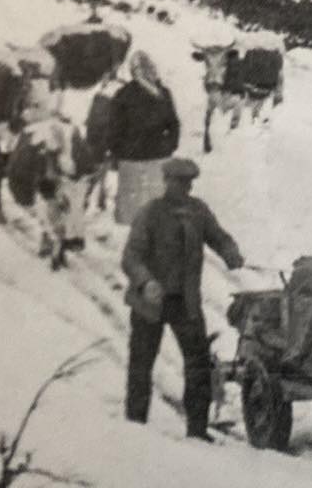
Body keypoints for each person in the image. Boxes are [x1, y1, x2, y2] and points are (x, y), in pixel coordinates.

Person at [122, 157, 243, 441]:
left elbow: (218, 236)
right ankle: (134, 426)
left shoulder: (198, 211)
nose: (183, 188)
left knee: (198, 363)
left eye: (187, 183)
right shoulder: (150, 213)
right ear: (166, 182)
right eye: (178, 183)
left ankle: (197, 430)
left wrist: (231, 252)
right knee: (142, 364)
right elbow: (131, 257)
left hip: (184, 302)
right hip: (149, 303)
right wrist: (146, 281)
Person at [86, 51, 180, 223]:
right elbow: (173, 124)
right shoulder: (160, 93)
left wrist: (118, 152)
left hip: (136, 159)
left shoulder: (124, 94)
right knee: (154, 208)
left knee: (134, 210)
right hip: (153, 158)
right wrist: (169, 146)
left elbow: (113, 129)